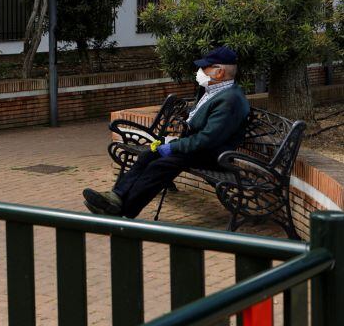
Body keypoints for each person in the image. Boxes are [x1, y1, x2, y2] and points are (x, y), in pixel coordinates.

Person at [83, 46, 249, 219]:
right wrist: (170, 141)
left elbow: (207, 139)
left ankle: (123, 211)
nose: (199, 71)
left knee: (161, 165)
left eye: (204, 67)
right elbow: (196, 125)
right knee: (148, 155)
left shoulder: (230, 100)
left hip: (212, 155)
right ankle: (116, 197)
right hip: (197, 148)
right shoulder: (212, 90)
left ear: (219, 72)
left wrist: (173, 146)